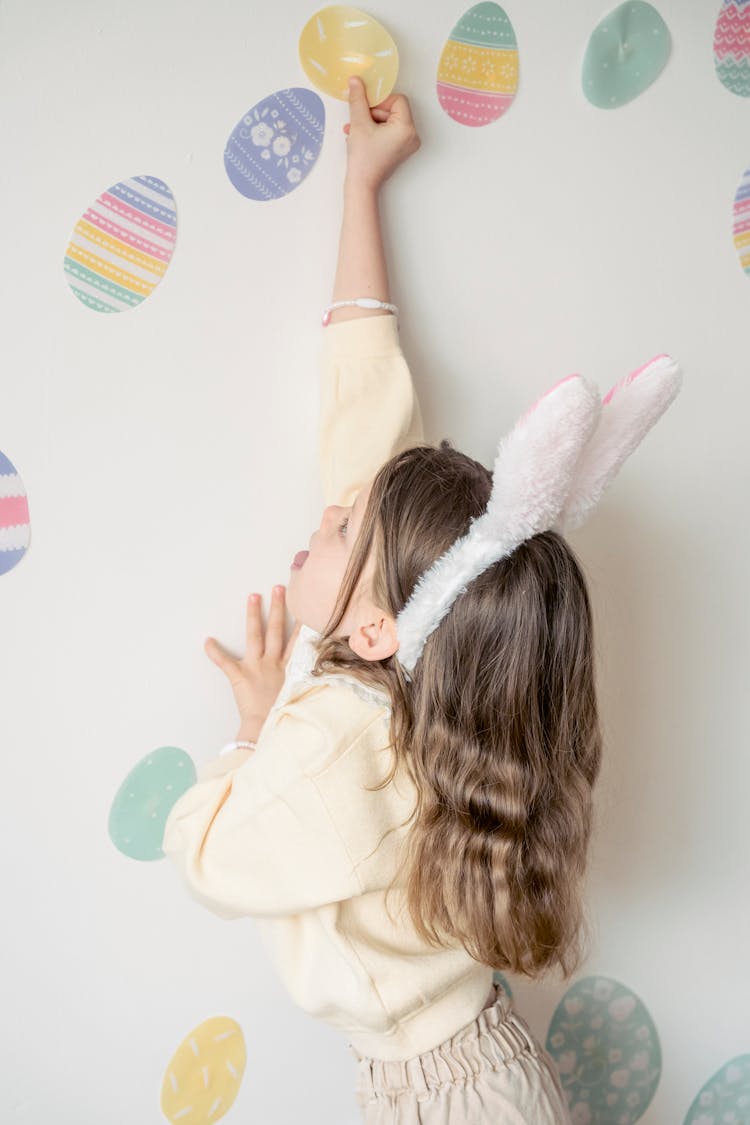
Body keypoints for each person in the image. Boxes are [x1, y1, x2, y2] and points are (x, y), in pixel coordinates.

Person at [164, 75, 680, 1123]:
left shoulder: (341, 737)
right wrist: (363, 183)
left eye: (346, 524)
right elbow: (366, 403)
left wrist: (255, 729)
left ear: (376, 619)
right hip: (474, 1070)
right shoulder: (410, 661)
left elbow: (210, 854)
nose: (328, 513)